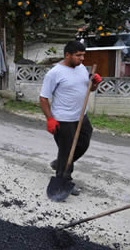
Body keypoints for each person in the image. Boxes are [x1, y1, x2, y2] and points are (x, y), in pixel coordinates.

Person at [39, 41, 102, 196]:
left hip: (81, 116)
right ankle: (63, 180)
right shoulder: (54, 73)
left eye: (83, 55)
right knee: (66, 150)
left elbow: (88, 88)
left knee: (84, 143)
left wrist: (94, 84)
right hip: (63, 119)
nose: (82, 59)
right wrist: (50, 119)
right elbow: (43, 98)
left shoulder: (81, 68)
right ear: (67, 55)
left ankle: (60, 163)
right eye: (78, 55)